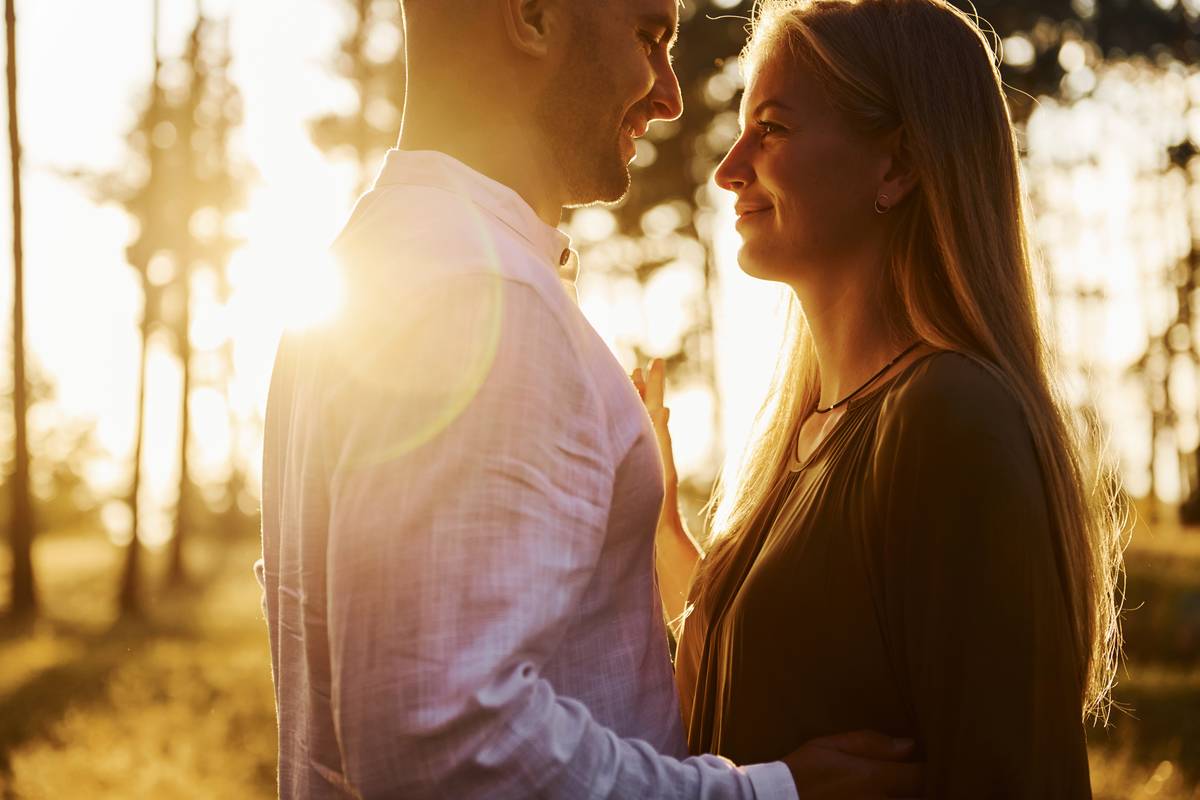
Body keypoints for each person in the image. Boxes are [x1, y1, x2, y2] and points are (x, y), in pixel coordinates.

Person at [256, 0, 923, 797]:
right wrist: (769, 793)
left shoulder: (380, 268)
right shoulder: (484, 298)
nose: (670, 94)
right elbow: (439, 741)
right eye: (650, 36)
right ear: (533, 16)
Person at [642, 0, 1125, 796]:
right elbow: (751, 705)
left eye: (772, 127)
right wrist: (660, 535)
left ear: (896, 167)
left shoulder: (949, 417)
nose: (729, 167)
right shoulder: (812, 434)